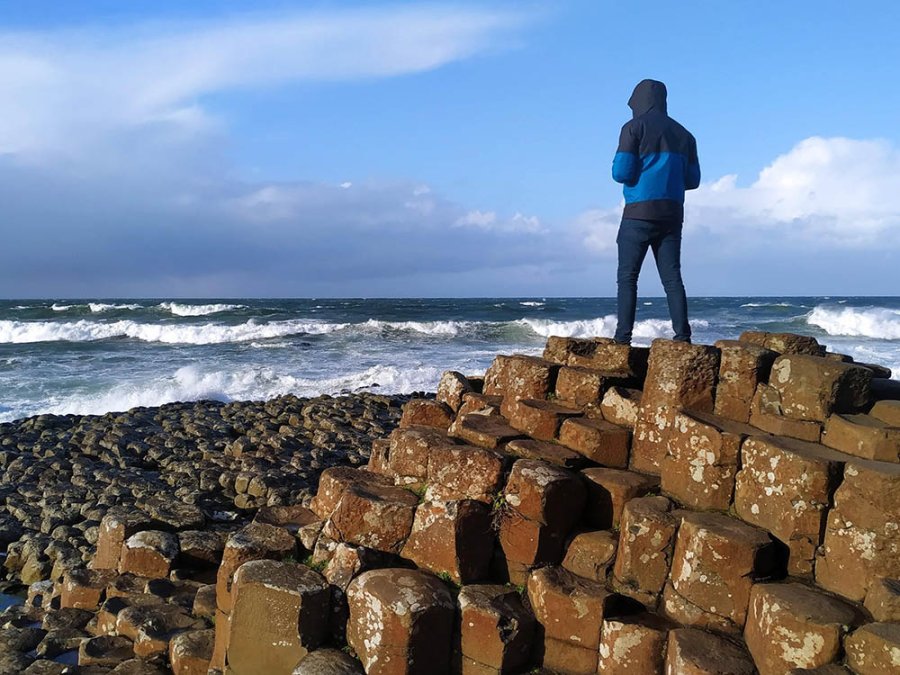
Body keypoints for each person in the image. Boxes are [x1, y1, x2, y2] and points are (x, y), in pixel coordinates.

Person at [611, 79, 700, 344]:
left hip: (638, 213)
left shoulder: (633, 128)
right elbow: (693, 181)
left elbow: (621, 172)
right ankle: (682, 336)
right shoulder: (685, 135)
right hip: (672, 215)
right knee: (672, 278)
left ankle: (622, 338)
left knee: (628, 278)